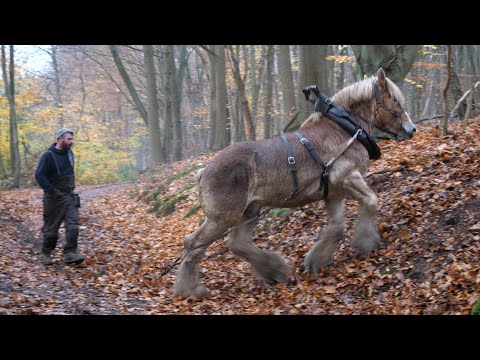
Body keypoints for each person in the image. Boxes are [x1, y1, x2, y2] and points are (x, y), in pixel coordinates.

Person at [35, 128, 85, 266]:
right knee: (51, 228)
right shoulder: (48, 155)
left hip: (69, 196)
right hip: (53, 198)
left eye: (72, 139)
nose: (71, 141)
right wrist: (51, 190)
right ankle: (46, 253)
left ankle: (70, 254)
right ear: (60, 139)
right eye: (69, 139)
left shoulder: (70, 154)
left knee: (73, 225)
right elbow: (39, 175)